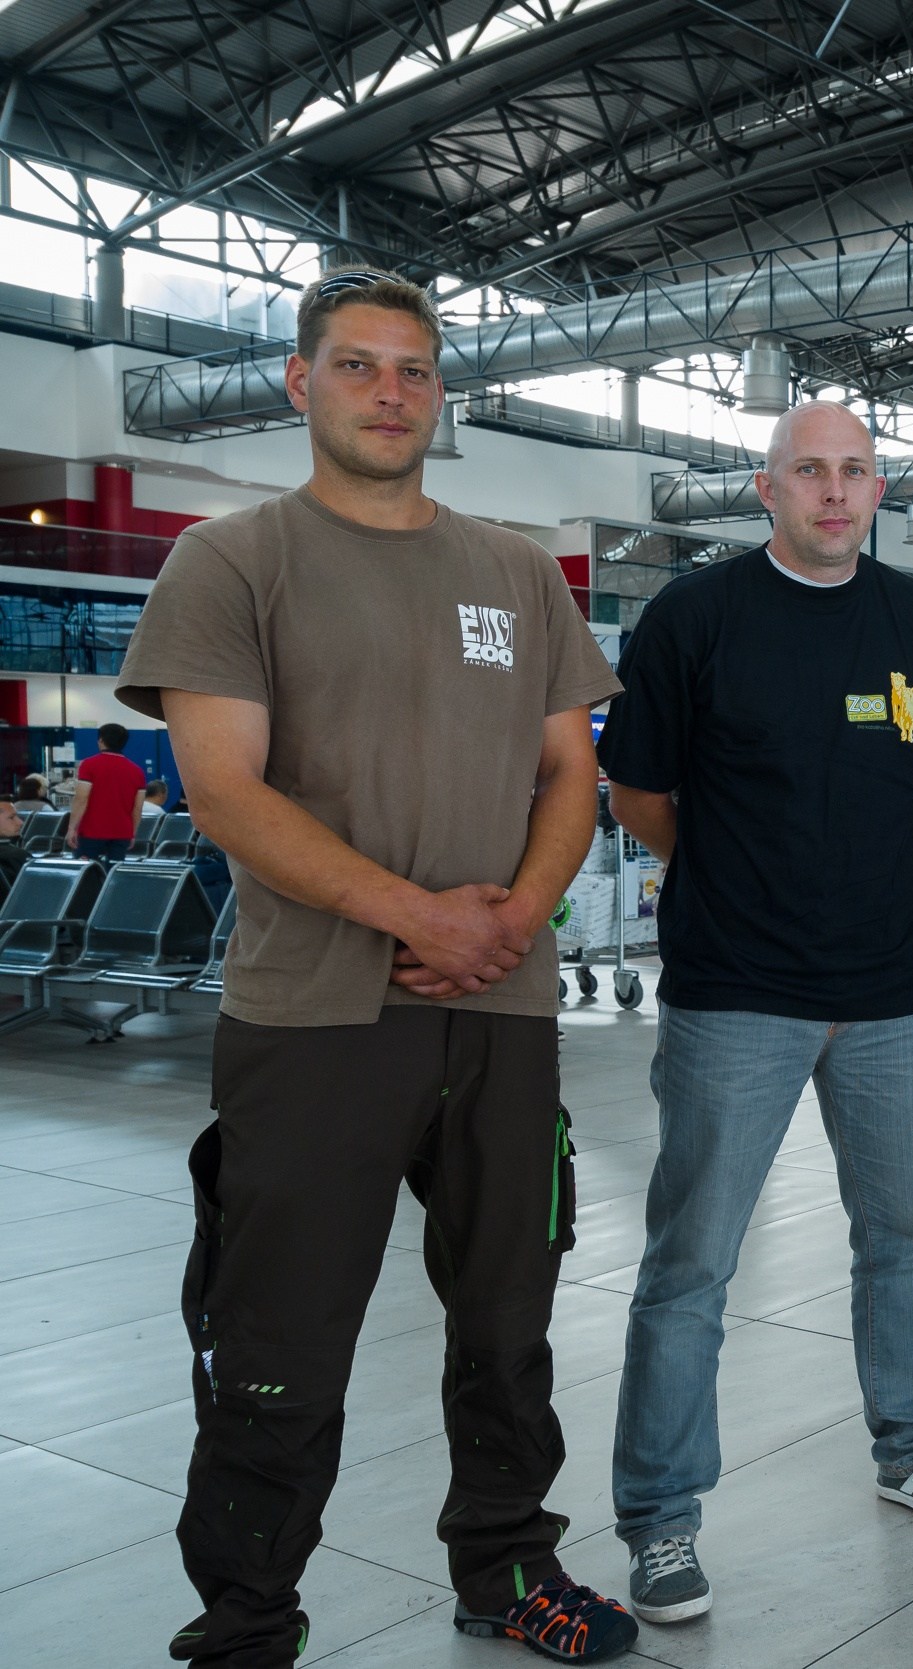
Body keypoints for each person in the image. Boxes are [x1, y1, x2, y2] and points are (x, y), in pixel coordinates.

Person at [113, 267, 636, 1665]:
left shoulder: (519, 572)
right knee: (280, 1335)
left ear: (440, 392)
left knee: (511, 1319)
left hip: (506, 1011)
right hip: (316, 1018)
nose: (390, 393)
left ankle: (508, 1570)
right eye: (358, 367)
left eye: (413, 370)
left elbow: (569, 776)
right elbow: (223, 786)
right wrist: (421, 915)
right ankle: (247, 1617)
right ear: (300, 382)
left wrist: (511, 921)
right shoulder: (233, 562)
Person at [599, 399, 913, 1626]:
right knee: (692, 1262)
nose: (832, 490)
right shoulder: (694, 617)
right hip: (735, 994)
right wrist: (742, 877)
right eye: (806, 471)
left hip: (888, 992)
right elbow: (640, 795)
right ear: (764, 489)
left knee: (902, 1237)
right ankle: (661, 1517)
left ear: (881, 492)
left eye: (854, 472)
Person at [69, 721, 148, 861]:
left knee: (87, 875)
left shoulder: (88, 765)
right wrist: (132, 833)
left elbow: (81, 798)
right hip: (122, 832)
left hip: (91, 831)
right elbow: (137, 808)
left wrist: (72, 828)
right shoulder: (137, 772)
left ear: (101, 740)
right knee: (113, 875)